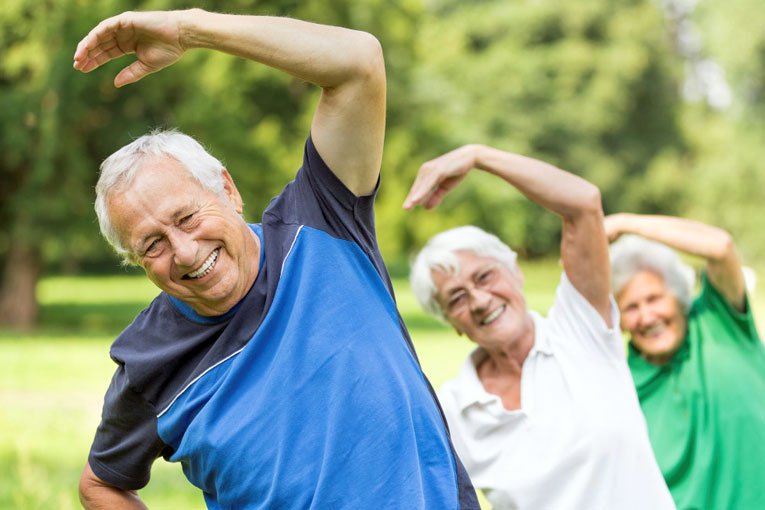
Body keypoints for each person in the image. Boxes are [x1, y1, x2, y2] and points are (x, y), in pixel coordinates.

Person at [73, 8, 479, 509]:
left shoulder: (323, 220)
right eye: (152, 245)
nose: (183, 251)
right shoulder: (147, 362)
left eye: (186, 217)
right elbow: (101, 483)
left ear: (227, 189)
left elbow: (358, 62)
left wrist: (189, 28)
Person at [406, 145, 674, 509]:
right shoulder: (455, 411)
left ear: (515, 272)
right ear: (451, 323)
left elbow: (582, 203)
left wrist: (478, 156)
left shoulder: (580, 329)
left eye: (485, 276)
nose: (480, 300)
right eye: (457, 298)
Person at [606, 213, 765, 509]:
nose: (647, 317)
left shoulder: (720, 323)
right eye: (631, 307)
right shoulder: (621, 384)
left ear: (679, 296)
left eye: (654, 298)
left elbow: (720, 247)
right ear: (619, 320)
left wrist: (626, 224)